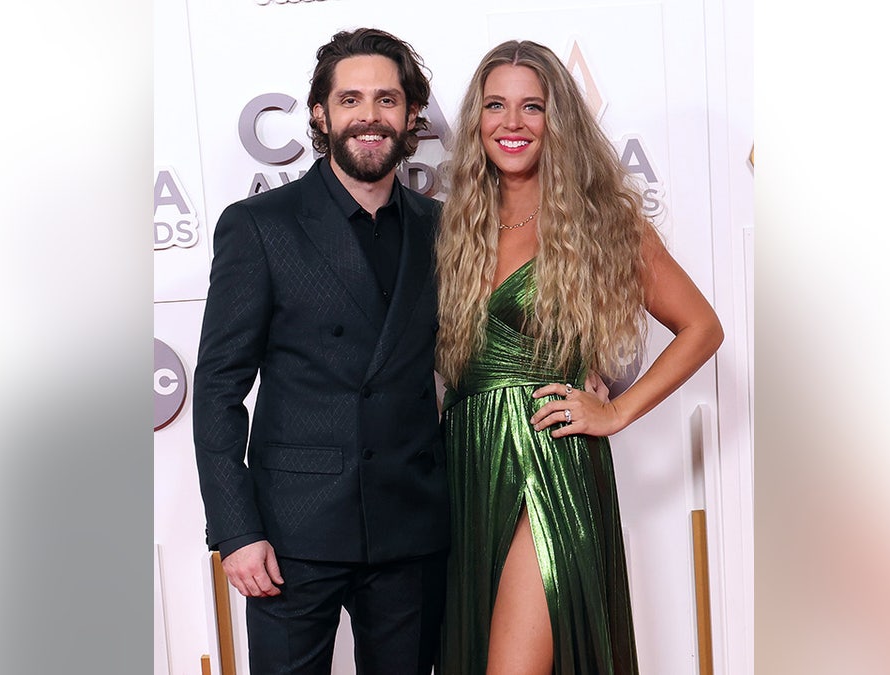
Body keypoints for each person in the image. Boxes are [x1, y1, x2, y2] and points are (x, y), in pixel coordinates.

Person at [434, 40, 725, 674]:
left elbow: (702, 327)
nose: (511, 124)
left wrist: (617, 412)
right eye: (495, 106)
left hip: (546, 462)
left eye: (531, 107)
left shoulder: (600, 222)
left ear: (557, 119)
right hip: (465, 466)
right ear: (475, 118)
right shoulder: (453, 223)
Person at [193, 28, 448, 675]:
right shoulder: (260, 226)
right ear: (320, 114)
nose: (370, 115)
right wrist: (237, 529)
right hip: (290, 534)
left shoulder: (440, 228)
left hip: (409, 528)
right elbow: (220, 386)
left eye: (387, 99)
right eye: (352, 98)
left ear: (411, 114)